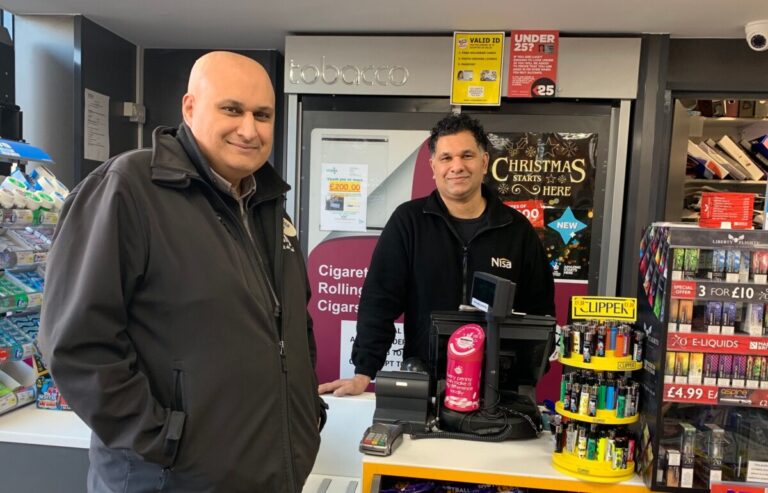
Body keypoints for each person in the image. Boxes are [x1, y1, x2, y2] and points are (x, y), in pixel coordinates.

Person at [39, 51, 326, 492]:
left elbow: (290, 322)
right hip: (170, 479)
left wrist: (309, 410)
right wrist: (161, 438)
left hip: (269, 473)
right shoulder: (128, 189)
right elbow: (76, 342)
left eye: (263, 115)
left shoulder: (266, 202)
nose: (249, 129)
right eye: (232, 109)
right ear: (190, 108)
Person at [319, 113, 555, 397]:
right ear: (433, 166)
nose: (457, 166)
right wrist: (363, 373)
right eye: (446, 158)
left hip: (500, 390)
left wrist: (527, 377)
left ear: (484, 162)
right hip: (426, 385)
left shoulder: (517, 230)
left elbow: (540, 313)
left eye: (467, 155)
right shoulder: (409, 222)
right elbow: (378, 301)